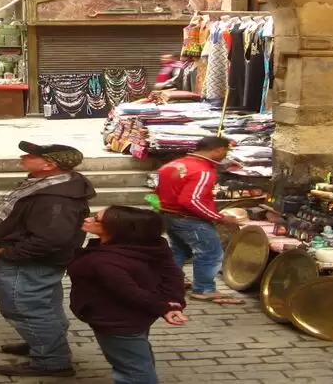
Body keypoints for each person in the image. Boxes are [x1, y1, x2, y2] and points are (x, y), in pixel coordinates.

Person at [0, 142, 94, 377]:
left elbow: (51, 239)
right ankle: (41, 342)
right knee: (44, 305)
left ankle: (52, 361)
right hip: (32, 262)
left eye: (31, 155)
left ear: (49, 165)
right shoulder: (50, 185)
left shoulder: (56, 199)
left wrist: (6, 253)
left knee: (26, 309)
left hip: (28, 263)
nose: (23, 157)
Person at [69, 206, 188, 384]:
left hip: (117, 322)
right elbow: (172, 273)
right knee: (137, 358)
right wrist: (172, 303)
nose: (88, 219)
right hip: (136, 318)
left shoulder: (103, 262)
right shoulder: (151, 245)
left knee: (133, 369)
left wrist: (166, 306)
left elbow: (131, 293)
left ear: (117, 229)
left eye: (96, 219)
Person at [154, 136, 242, 304]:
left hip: (169, 215)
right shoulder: (203, 171)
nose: (225, 156)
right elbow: (190, 200)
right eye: (225, 152)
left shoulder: (172, 165)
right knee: (211, 252)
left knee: (179, 251)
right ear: (218, 150)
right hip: (189, 219)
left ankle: (171, 283)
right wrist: (219, 217)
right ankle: (204, 289)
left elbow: (159, 191)